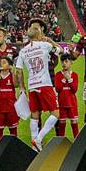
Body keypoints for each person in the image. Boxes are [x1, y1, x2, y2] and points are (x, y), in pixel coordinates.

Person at [15, 18, 62, 151]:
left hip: (32, 85)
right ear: (39, 35)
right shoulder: (44, 45)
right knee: (56, 113)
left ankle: (34, 146)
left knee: (35, 114)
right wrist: (50, 41)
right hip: (45, 84)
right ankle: (38, 139)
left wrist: (22, 87)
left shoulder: (23, 51)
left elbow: (18, 70)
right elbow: (61, 51)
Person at [0, 27, 17, 137]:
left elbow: (17, 69)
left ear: (5, 37)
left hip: (9, 86)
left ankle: (13, 138)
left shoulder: (13, 51)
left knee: (11, 113)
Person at [0, 55, 19, 142]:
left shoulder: (12, 76)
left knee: (13, 129)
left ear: (9, 65)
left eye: (4, 62)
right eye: (0, 62)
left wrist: (13, 71)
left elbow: (16, 84)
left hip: (11, 107)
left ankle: (13, 147)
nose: (1, 64)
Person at [55, 56, 79, 137]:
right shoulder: (58, 75)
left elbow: (74, 89)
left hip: (72, 104)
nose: (63, 64)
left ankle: (77, 142)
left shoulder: (74, 75)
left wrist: (69, 79)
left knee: (74, 122)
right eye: (62, 62)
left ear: (71, 62)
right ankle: (61, 142)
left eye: (66, 61)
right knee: (61, 122)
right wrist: (64, 80)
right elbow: (58, 89)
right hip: (62, 104)